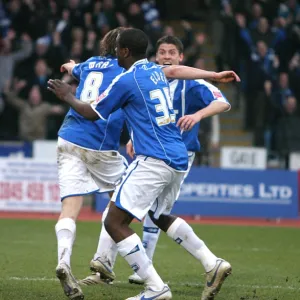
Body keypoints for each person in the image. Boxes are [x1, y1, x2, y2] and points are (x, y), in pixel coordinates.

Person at [48, 28, 240, 300]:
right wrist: (213, 75)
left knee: (115, 221)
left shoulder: (128, 80)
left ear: (124, 51)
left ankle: (155, 288)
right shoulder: (154, 70)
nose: (115, 54)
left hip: (154, 159)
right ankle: (213, 263)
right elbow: (175, 71)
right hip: (178, 156)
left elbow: (91, 112)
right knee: (158, 214)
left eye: (118, 51)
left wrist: (67, 94)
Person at [124, 35, 231, 293]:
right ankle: (206, 263)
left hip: (176, 154)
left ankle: (115, 265)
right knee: (155, 211)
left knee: (129, 208)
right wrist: (133, 137)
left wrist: (197, 115)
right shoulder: (150, 80)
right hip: (152, 151)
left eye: (172, 52)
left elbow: (223, 102)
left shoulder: (192, 84)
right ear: (155, 56)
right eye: (162, 52)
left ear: (181, 58)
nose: (167, 56)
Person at [51, 27, 129, 300]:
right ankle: (104, 261)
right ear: (124, 50)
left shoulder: (89, 65)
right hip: (99, 144)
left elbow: (76, 68)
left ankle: (63, 261)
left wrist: (69, 66)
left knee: (70, 208)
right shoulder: (127, 72)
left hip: (67, 137)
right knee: (123, 198)